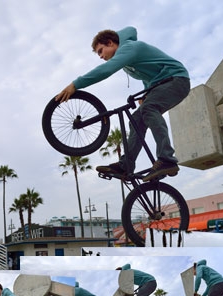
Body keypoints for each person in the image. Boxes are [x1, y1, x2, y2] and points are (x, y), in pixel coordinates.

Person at [56, 26, 190, 182]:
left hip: (177, 79)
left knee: (149, 108)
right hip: (162, 83)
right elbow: (148, 74)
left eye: (100, 51)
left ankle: (166, 159)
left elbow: (106, 70)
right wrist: (146, 92)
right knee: (136, 119)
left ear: (110, 43)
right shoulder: (127, 61)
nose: (100, 56)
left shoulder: (130, 48)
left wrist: (75, 84)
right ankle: (126, 165)